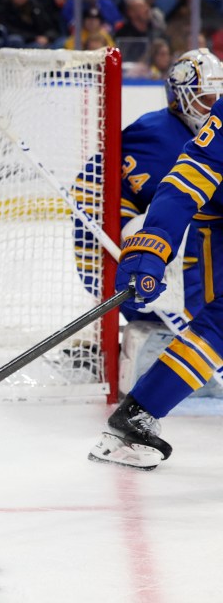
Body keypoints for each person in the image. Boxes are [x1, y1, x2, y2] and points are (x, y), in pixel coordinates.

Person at [88, 48, 223, 470]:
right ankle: (139, 412)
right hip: (211, 226)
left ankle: (139, 411)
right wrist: (153, 242)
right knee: (218, 323)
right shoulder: (159, 133)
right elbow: (189, 177)